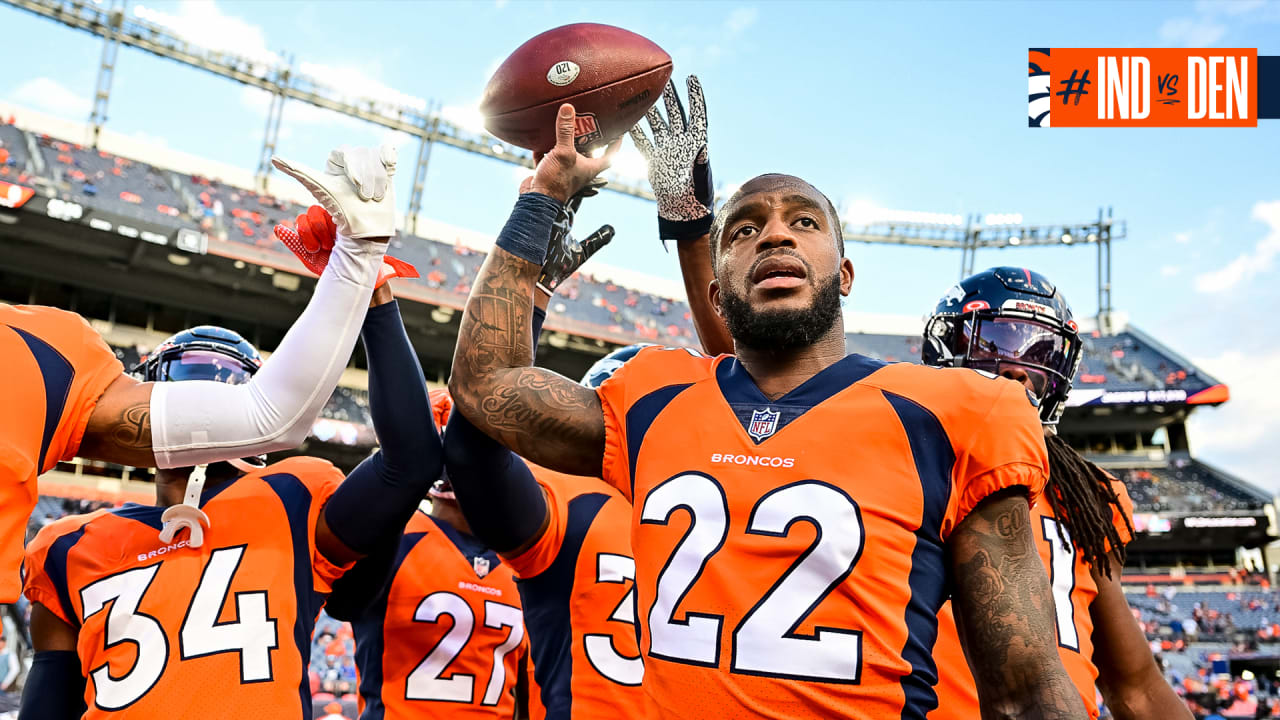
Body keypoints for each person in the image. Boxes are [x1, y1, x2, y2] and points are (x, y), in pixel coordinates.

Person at [447, 100, 1084, 718]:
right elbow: (486, 383)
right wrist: (542, 200)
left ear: (846, 273)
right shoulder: (651, 395)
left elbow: (1025, 694)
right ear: (717, 292)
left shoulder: (954, 413)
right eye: (746, 229)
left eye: (805, 222)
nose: (776, 232)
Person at [19, 203, 439, 718]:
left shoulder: (292, 498)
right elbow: (411, 460)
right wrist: (368, 288)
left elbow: (412, 462)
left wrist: (369, 283)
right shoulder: (66, 547)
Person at [0, 144, 398, 604]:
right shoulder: (71, 544)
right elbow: (271, 414)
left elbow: (274, 416)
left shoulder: (42, 350)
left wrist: (360, 259)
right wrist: (357, 260)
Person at [922, 267, 1193, 720]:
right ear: (946, 347)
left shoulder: (1086, 493)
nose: (1016, 367)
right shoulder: (904, 460)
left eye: (1040, 350)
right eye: (995, 342)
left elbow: (1135, 685)